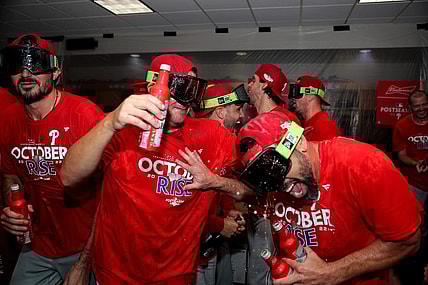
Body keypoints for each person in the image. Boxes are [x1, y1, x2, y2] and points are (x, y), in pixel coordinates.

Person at [59, 54, 248, 284]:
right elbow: (69, 178)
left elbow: (249, 192)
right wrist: (110, 123)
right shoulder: (123, 131)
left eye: (192, 89)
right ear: (153, 86)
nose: (184, 98)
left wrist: (215, 182)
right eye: (178, 86)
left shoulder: (213, 137)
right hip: (115, 273)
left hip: (176, 275)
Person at [178, 118, 421, 284]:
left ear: (300, 142)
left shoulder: (364, 165)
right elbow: (251, 193)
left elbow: (408, 241)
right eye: (266, 179)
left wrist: (332, 273)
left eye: (277, 168)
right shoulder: (279, 182)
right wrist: (214, 182)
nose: (280, 185)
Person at [0, 34, 103, 284]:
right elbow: (11, 175)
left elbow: (109, 192)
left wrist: (84, 262)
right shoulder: (6, 119)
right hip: (37, 246)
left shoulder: (84, 115)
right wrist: (13, 206)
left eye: (36, 63)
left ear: (55, 72)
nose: (26, 73)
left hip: (84, 246)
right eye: (17, 63)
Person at [240, 64, 301, 285]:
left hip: (272, 214)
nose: (249, 84)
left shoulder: (289, 122)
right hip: (257, 209)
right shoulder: (259, 121)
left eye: (253, 79)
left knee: (265, 274)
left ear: (264, 84)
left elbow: (284, 173)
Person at [193, 83, 249, 285]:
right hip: (191, 251)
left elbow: (217, 189)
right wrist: (220, 224)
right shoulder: (195, 144)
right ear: (220, 111)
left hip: (209, 241)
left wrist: (227, 212)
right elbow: (185, 209)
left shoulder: (222, 142)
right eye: (237, 109)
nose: (240, 116)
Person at [392, 89, 428, 284]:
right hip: (415, 182)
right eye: (417, 105)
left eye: (424, 104)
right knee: (416, 226)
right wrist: (416, 163)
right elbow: (401, 154)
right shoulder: (402, 125)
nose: (421, 108)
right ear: (411, 107)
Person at [288, 75, 340, 141]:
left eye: (297, 93)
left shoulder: (324, 124)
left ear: (310, 96)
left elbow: (333, 151)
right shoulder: (303, 123)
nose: (294, 98)